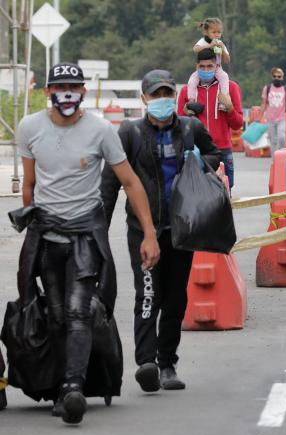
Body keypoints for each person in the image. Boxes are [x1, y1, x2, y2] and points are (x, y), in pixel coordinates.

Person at [16, 62, 160, 424]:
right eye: (60, 86)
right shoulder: (30, 127)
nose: (67, 93)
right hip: (47, 237)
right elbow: (30, 185)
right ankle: (59, 383)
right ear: (48, 91)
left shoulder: (100, 130)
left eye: (74, 87)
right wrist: (30, 219)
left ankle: (73, 387)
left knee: (80, 311)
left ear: (83, 92)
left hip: (84, 236)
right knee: (55, 314)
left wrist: (149, 233)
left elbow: (130, 182)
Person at [102, 69, 221, 393]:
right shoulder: (130, 133)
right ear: (144, 99)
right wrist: (97, 231)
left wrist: (200, 161)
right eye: (155, 95)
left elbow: (216, 153)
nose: (162, 101)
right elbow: (111, 183)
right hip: (142, 229)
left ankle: (168, 362)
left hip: (181, 228)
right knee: (148, 295)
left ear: (175, 97)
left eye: (167, 94)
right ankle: (147, 363)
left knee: (175, 299)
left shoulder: (189, 128)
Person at [177, 48, 244, 189]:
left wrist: (230, 108)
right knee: (196, 193)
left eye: (209, 66)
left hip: (223, 151)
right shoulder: (186, 91)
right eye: (202, 66)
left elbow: (237, 125)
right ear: (196, 67)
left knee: (225, 194)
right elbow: (178, 127)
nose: (205, 70)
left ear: (217, 67)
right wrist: (184, 114)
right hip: (196, 151)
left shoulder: (231, 88)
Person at [188, 18, 231, 112]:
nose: (217, 34)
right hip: (203, 68)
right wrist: (209, 46)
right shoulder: (203, 41)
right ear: (206, 32)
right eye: (214, 32)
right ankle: (191, 102)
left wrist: (223, 49)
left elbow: (227, 61)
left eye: (219, 32)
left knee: (224, 77)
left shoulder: (220, 43)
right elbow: (195, 49)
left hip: (217, 68)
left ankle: (223, 101)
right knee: (192, 80)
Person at [257, 67, 286, 152]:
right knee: (273, 141)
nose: (277, 78)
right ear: (272, 77)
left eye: (279, 76)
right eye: (275, 76)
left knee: (282, 137)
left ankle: (281, 155)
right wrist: (258, 118)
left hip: (281, 119)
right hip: (270, 120)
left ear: (282, 77)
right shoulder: (267, 89)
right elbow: (263, 104)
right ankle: (274, 160)